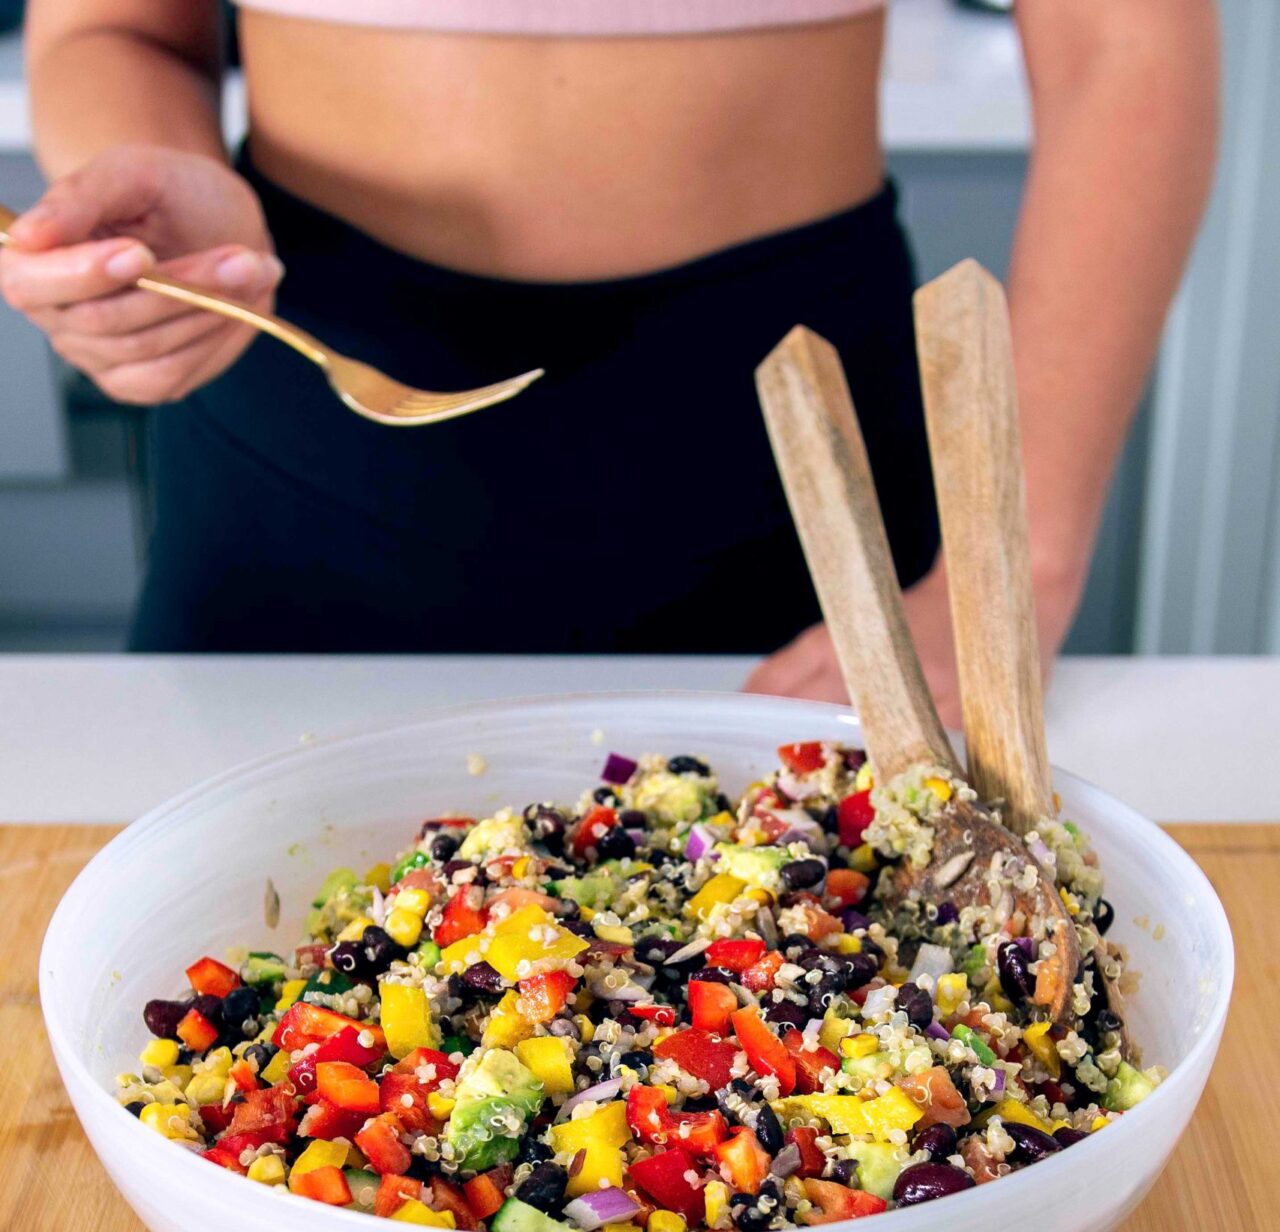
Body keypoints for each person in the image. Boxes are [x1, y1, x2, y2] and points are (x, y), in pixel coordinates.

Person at [2, 0, 1216, 710]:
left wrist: (1011, 578)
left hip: (794, 450)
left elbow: (1126, 43)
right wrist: (162, 194)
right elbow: (113, 27)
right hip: (298, 407)